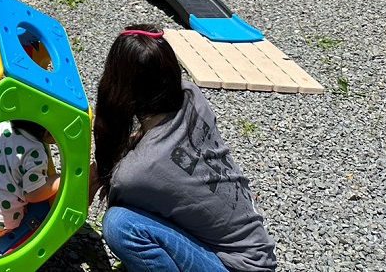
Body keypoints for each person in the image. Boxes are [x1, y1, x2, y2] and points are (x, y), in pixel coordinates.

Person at [89, 24, 277, 272]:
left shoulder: (137, 172)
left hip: (235, 268)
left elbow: (129, 183)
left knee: (121, 224)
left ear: (118, 87)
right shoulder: (192, 96)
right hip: (257, 252)